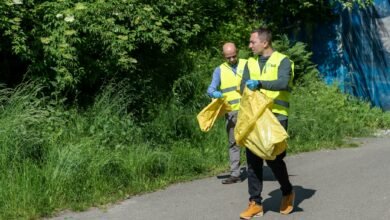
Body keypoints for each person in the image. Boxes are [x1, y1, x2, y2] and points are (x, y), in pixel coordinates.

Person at [239, 27, 295, 219]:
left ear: (265, 42)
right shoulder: (249, 63)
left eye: (252, 42)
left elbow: (282, 83)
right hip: (255, 117)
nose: (249, 45)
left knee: (274, 159)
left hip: (276, 116)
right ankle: (255, 203)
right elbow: (242, 85)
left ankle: (287, 191)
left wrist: (259, 84)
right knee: (253, 161)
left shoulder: (283, 60)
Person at [207, 42, 247, 184]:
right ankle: (235, 174)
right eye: (228, 57)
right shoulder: (219, 70)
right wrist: (214, 93)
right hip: (231, 113)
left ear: (237, 52)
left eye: (234, 56)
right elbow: (210, 89)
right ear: (224, 56)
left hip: (248, 110)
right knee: (233, 143)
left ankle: (255, 170)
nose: (232, 60)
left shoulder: (246, 64)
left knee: (252, 141)